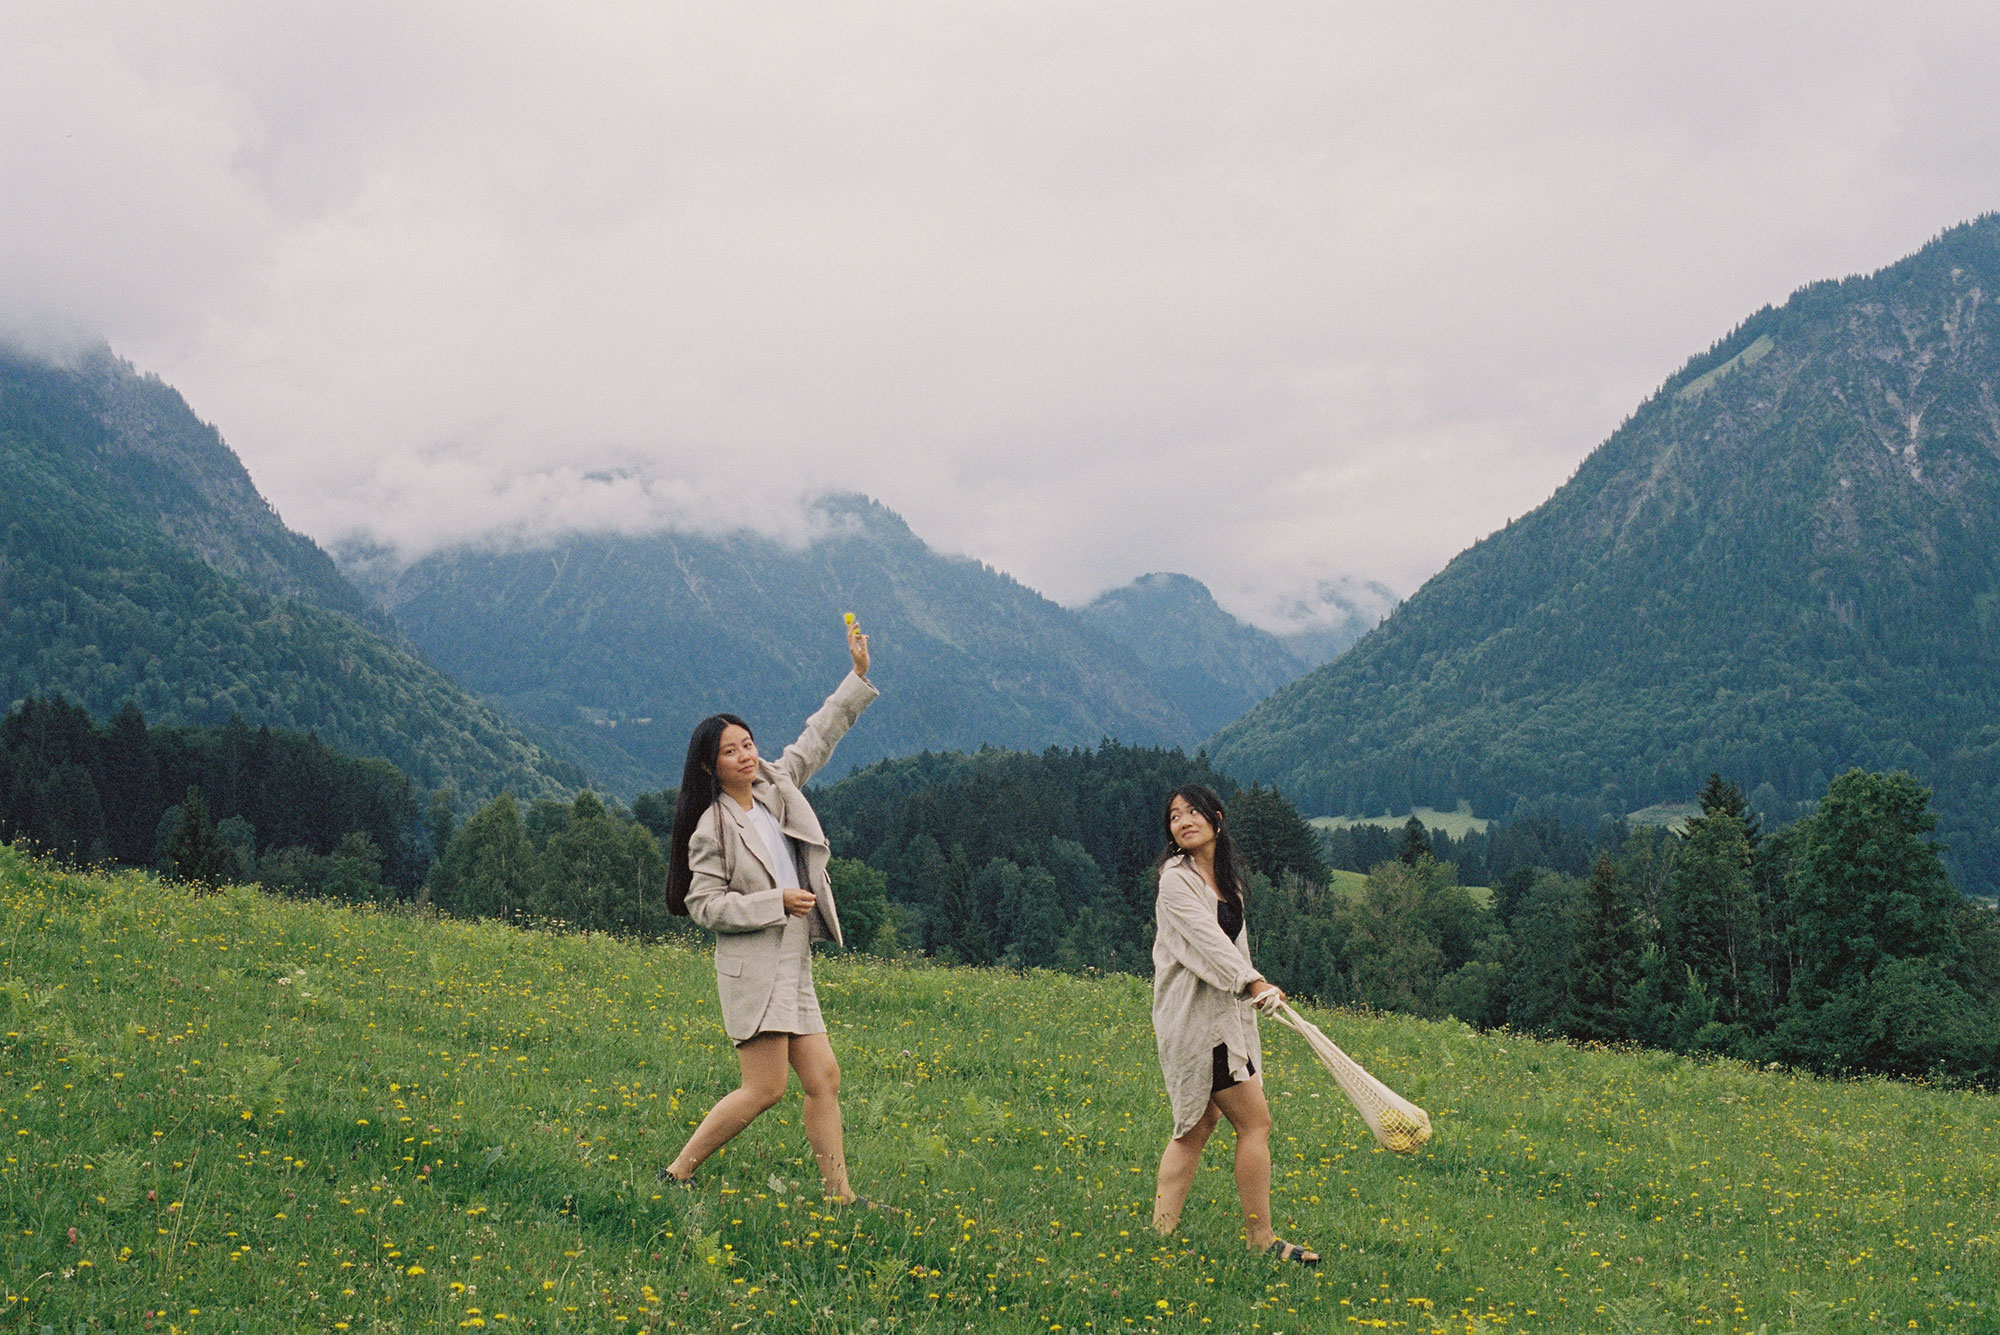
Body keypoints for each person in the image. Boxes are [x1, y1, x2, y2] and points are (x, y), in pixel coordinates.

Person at [660, 617, 877, 1203]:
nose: (746, 756)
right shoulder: (712, 827)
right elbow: (702, 905)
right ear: (710, 767)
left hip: (794, 957)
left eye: (748, 743)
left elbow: (816, 738)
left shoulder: (776, 786)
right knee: (764, 1089)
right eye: (731, 752)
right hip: (753, 965)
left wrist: (855, 679)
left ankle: (840, 1197)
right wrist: (774, 901)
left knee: (823, 1078)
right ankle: (677, 1173)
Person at [1149, 783, 1320, 1264]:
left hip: (1225, 1018)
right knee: (1255, 1122)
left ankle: (1159, 1237)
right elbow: (1208, 944)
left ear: (1216, 820)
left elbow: (1233, 948)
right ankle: (1261, 1241)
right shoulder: (1175, 881)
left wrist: (1252, 989)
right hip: (1197, 1021)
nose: (1182, 822)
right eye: (1174, 817)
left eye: (1192, 813)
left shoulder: (1227, 881)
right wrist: (1252, 982)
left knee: (1197, 1126)